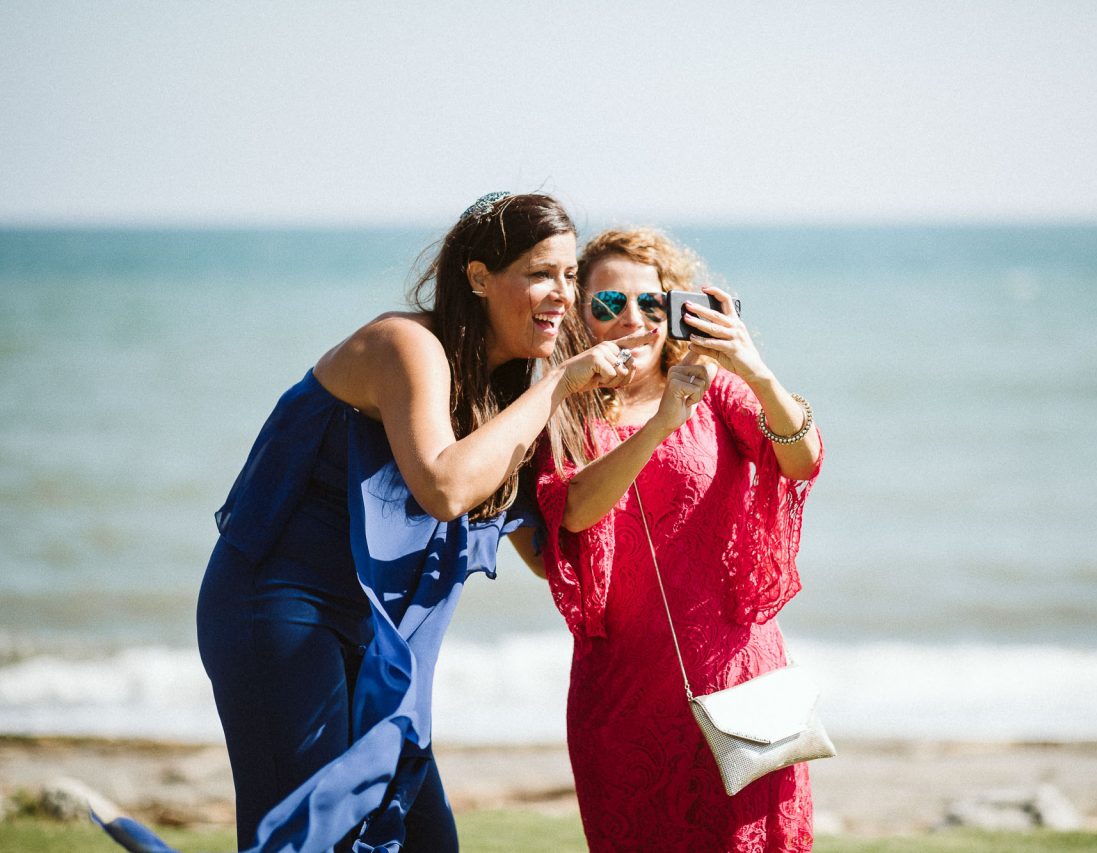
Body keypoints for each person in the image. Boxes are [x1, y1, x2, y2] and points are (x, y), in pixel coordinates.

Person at [194, 193, 655, 852]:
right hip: (280, 610)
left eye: (570, 275)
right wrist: (555, 387)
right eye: (541, 273)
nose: (564, 293)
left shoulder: (503, 393)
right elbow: (444, 486)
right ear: (477, 277)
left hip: (377, 638)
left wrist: (661, 423)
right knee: (304, 836)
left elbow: (547, 549)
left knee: (426, 839)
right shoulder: (404, 344)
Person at [535, 228, 823, 851]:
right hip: (625, 699)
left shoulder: (715, 388)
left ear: (675, 311)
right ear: (581, 317)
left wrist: (755, 369)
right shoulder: (560, 409)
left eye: (650, 304)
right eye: (608, 305)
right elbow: (575, 512)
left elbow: (802, 458)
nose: (631, 321)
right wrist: (664, 419)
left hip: (739, 679)